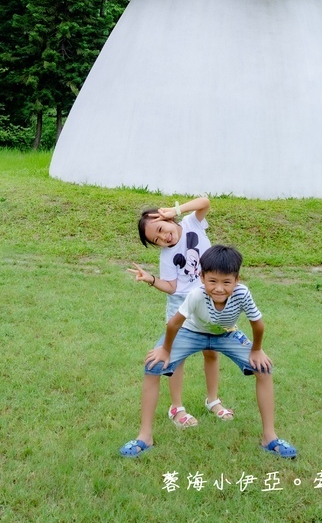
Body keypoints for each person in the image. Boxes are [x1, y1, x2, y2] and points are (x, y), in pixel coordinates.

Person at [120, 245, 296, 459]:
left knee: (264, 369)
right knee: (153, 365)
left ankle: (270, 437)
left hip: (226, 334)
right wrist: (165, 350)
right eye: (212, 281)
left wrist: (257, 350)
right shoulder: (196, 295)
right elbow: (174, 324)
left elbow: (258, 324)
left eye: (226, 282)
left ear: (237, 279)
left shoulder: (242, 293)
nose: (219, 288)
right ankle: (144, 436)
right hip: (191, 332)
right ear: (202, 277)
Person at [128, 196, 233, 427]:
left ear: (167, 218)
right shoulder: (166, 257)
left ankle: (213, 400)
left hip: (209, 299)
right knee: (178, 356)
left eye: (161, 229)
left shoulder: (190, 223)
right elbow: (172, 287)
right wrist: (151, 279)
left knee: (211, 351)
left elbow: (204, 201)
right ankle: (177, 407)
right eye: (157, 239)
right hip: (181, 306)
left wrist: (175, 208)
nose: (164, 238)